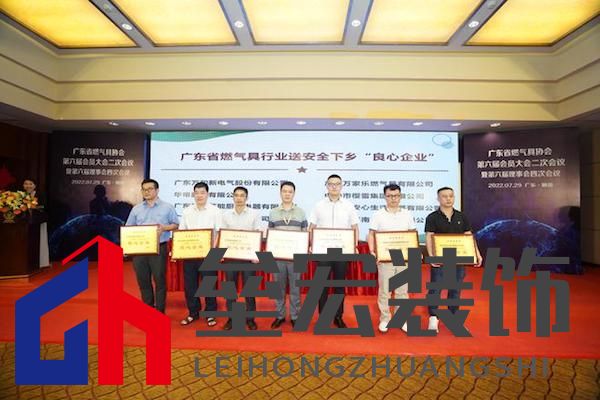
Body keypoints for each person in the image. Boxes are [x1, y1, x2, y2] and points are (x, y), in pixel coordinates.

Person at [425, 186, 482, 333]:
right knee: (435, 289)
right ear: (438, 199)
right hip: (440, 259)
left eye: (451, 196)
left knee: (455, 289)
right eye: (444, 196)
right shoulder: (432, 217)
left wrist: (477, 253)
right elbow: (429, 237)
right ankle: (433, 318)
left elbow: (469, 236)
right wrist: (431, 256)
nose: (448, 199)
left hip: (458, 259)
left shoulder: (462, 217)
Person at [308, 174, 359, 328]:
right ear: (326, 186)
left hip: (342, 252)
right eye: (331, 184)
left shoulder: (349, 206)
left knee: (339, 286)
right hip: (323, 252)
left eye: (337, 184)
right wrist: (311, 244)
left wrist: (354, 246)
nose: (334, 187)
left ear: (342, 186)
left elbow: (354, 227)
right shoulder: (318, 205)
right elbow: (312, 227)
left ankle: (338, 316)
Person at [125, 179, 179, 314]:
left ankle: (160, 311)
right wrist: (126, 248)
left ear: (157, 190)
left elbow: (176, 225)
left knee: (159, 280)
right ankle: (148, 310)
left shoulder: (167, 207)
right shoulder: (136, 209)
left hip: (159, 248)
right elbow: (128, 228)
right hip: (139, 250)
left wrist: (164, 228)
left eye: (149, 189)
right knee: (143, 280)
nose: (146, 192)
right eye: (144, 189)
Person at [367, 184, 415, 334]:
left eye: (396, 196)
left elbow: (412, 234)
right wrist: (372, 251)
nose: (393, 199)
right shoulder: (378, 215)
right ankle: (385, 318)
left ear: (400, 197)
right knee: (385, 290)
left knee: (402, 290)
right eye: (389, 196)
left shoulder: (407, 214)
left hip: (403, 257)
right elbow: (371, 234)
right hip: (385, 258)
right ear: (385, 197)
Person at [178, 182, 221, 327]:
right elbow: (182, 232)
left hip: (209, 255)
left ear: (207, 194)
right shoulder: (187, 211)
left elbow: (219, 232)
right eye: (196, 192)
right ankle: (193, 313)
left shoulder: (215, 211)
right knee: (190, 286)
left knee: (209, 286)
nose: (199, 195)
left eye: (202, 192)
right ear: (193, 194)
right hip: (190, 254)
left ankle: (211, 314)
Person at [221, 186, 261, 331]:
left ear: (246, 198)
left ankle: (250, 319)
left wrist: (256, 255)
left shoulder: (254, 214)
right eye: (236, 195)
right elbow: (222, 235)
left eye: (242, 195)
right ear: (233, 197)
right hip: (230, 258)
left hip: (248, 259)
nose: (239, 198)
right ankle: (231, 319)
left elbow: (258, 234)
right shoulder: (226, 215)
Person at [268, 181, 308, 329]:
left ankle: (295, 316)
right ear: (280, 193)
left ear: (294, 194)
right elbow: (270, 234)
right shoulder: (273, 213)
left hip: (296, 258)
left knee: (295, 288)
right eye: (284, 191)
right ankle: (279, 315)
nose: (287, 194)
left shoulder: (301, 212)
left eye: (290, 192)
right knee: (278, 288)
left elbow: (305, 233)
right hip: (278, 257)